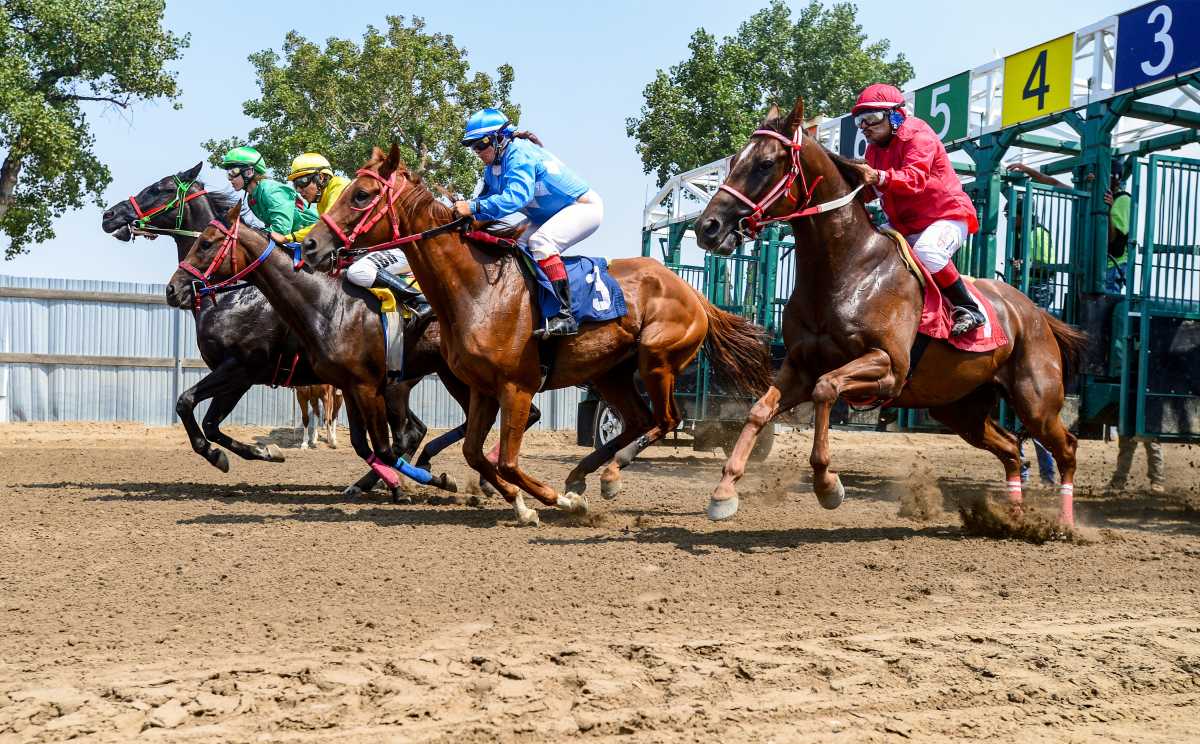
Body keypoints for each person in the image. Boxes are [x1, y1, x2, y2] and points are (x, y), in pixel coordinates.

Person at [452, 108, 603, 338]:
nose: (477, 151)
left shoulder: (519, 154)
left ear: (499, 138)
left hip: (582, 207)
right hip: (546, 216)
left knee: (541, 242)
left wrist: (472, 208)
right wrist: (464, 217)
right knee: (513, 245)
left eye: (481, 144)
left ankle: (566, 315)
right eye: (473, 146)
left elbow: (516, 198)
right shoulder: (492, 168)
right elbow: (484, 204)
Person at [847, 84, 983, 336]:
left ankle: (968, 307)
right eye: (860, 121)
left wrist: (875, 176)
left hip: (947, 217)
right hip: (903, 225)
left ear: (896, 115)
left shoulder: (920, 137)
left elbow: (914, 179)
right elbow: (871, 191)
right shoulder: (873, 150)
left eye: (872, 118)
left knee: (928, 251)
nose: (865, 127)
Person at [281, 153, 431, 322]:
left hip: (400, 249)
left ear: (321, 177)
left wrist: (288, 237)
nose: (299, 190)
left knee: (359, 272)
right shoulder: (321, 202)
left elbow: (330, 227)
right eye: (295, 185)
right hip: (378, 251)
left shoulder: (338, 187)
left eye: (301, 182)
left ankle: (419, 301)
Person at [1006, 156, 1132, 294]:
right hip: (1092, 267)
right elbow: (1054, 183)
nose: (1091, 178)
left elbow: (1115, 242)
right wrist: (1026, 169)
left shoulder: (1123, 200)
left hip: (1111, 267)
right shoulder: (1088, 196)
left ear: (1115, 179)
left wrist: (1106, 211)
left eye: (1095, 175)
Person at [219, 146, 317, 238]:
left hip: (317, 235)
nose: (230, 178)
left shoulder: (270, 190)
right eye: (228, 174)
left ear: (249, 172)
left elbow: (281, 229)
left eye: (233, 172)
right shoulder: (252, 199)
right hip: (297, 239)